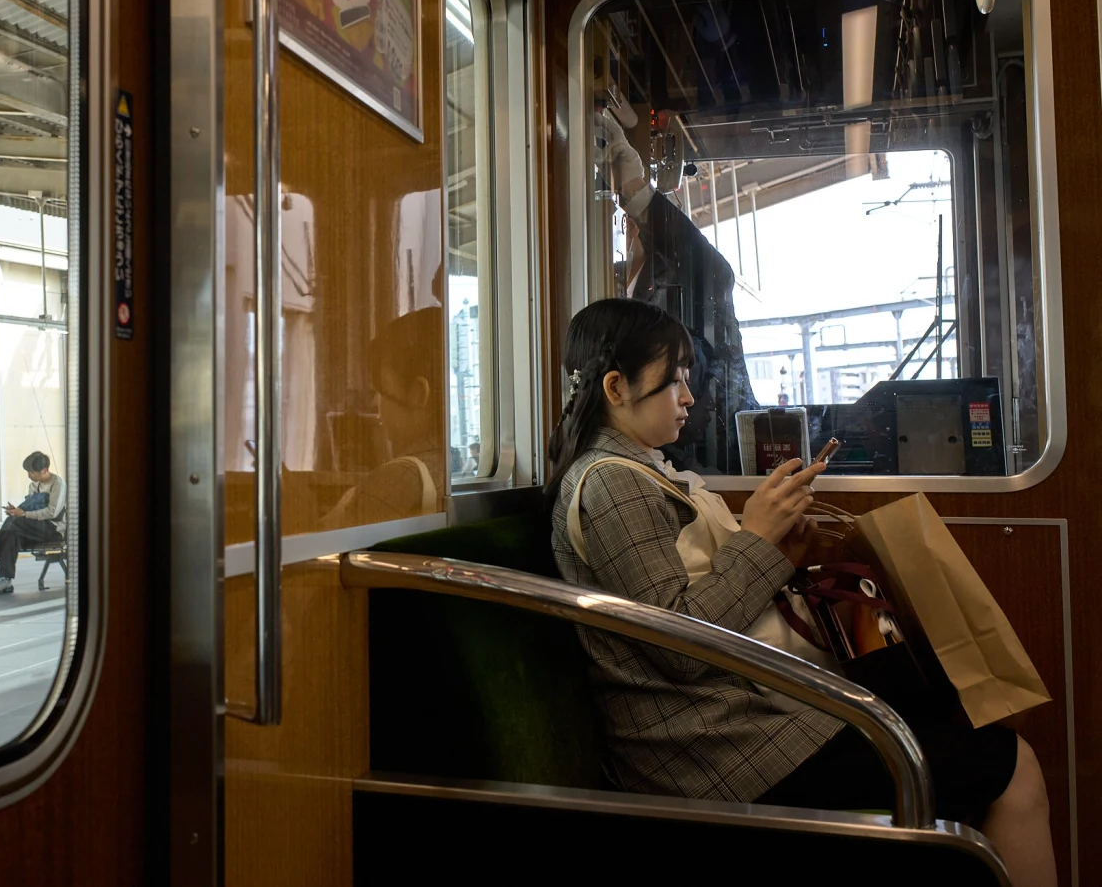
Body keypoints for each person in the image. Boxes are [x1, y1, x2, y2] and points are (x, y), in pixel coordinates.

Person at [546, 298, 1056, 887]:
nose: (689, 397)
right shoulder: (613, 486)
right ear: (616, 386)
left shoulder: (639, 471)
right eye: (674, 381)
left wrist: (780, 554)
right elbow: (680, 647)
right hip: (711, 750)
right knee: (1010, 765)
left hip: (730, 725)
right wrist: (758, 536)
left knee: (952, 728)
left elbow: (693, 604)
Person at [318, 308, 444, 530]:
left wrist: (292, 498)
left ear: (417, 394)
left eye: (382, 391)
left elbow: (322, 557)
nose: (376, 403)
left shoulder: (397, 478)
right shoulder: (456, 466)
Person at [0, 451, 65, 595]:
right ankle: (5, 580)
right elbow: (31, 506)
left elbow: (52, 512)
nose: (29, 475)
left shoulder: (57, 484)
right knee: (12, 534)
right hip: (33, 527)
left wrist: (23, 514)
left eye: (32, 472)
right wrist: (18, 510)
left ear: (44, 470)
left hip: (53, 529)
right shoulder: (33, 485)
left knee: (13, 522)